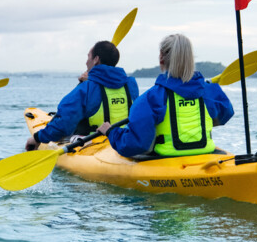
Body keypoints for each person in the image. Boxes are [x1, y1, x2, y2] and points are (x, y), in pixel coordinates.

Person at [99, 34, 234, 158]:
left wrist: (112, 132)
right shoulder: (209, 90)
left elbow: (136, 143)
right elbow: (225, 114)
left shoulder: (151, 98)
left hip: (167, 158)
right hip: (205, 153)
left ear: (161, 57)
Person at [24, 40, 139, 151]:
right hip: (123, 138)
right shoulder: (131, 84)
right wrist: (91, 80)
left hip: (93, 142)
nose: (86, 62)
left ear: (96, 59)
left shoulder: (86, 88)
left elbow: (63, 124)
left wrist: (37, 138)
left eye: (88, 56)